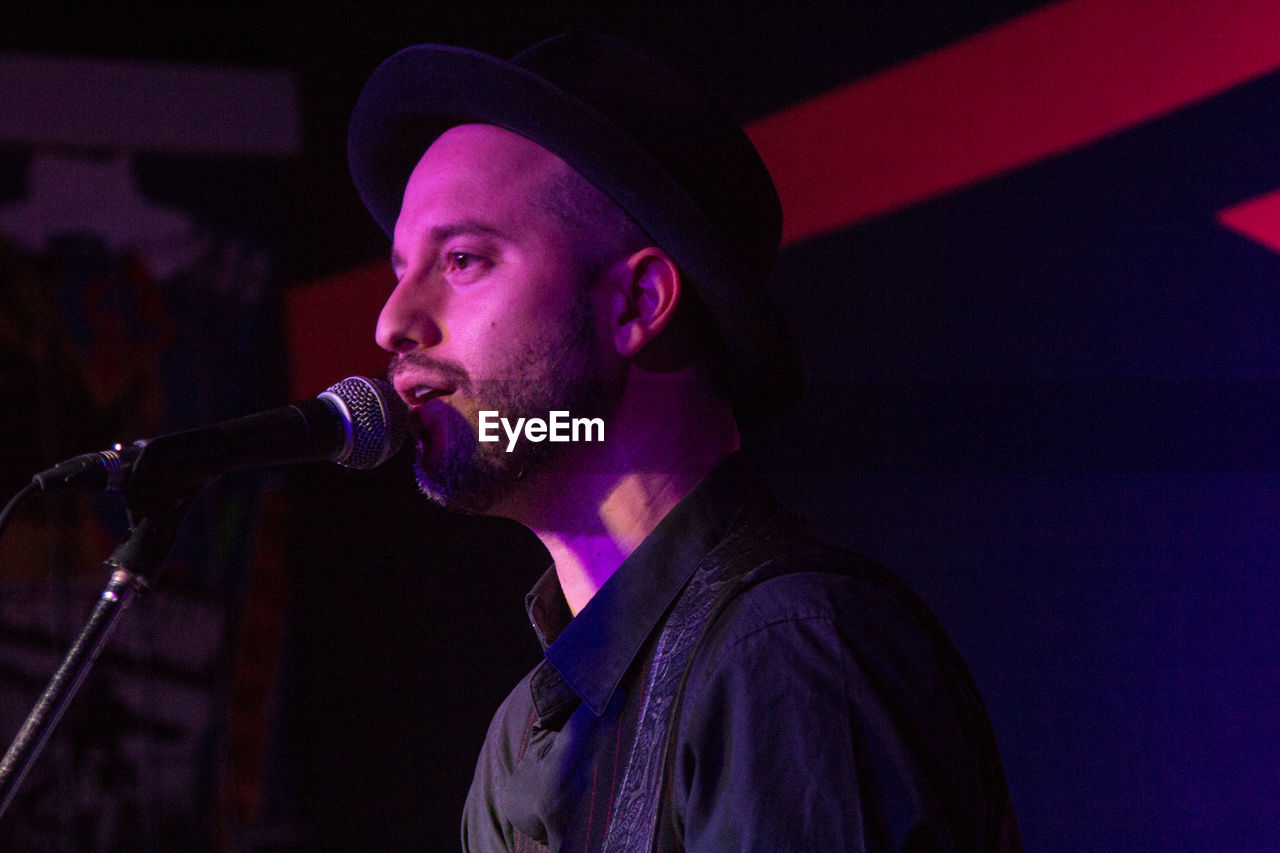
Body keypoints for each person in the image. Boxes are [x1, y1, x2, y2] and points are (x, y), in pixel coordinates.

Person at [346, 30, 1021, 852]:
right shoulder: (520, 737)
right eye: (399, 267)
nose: (392, 322)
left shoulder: (784, 653)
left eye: (461, 259)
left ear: (636, 303)